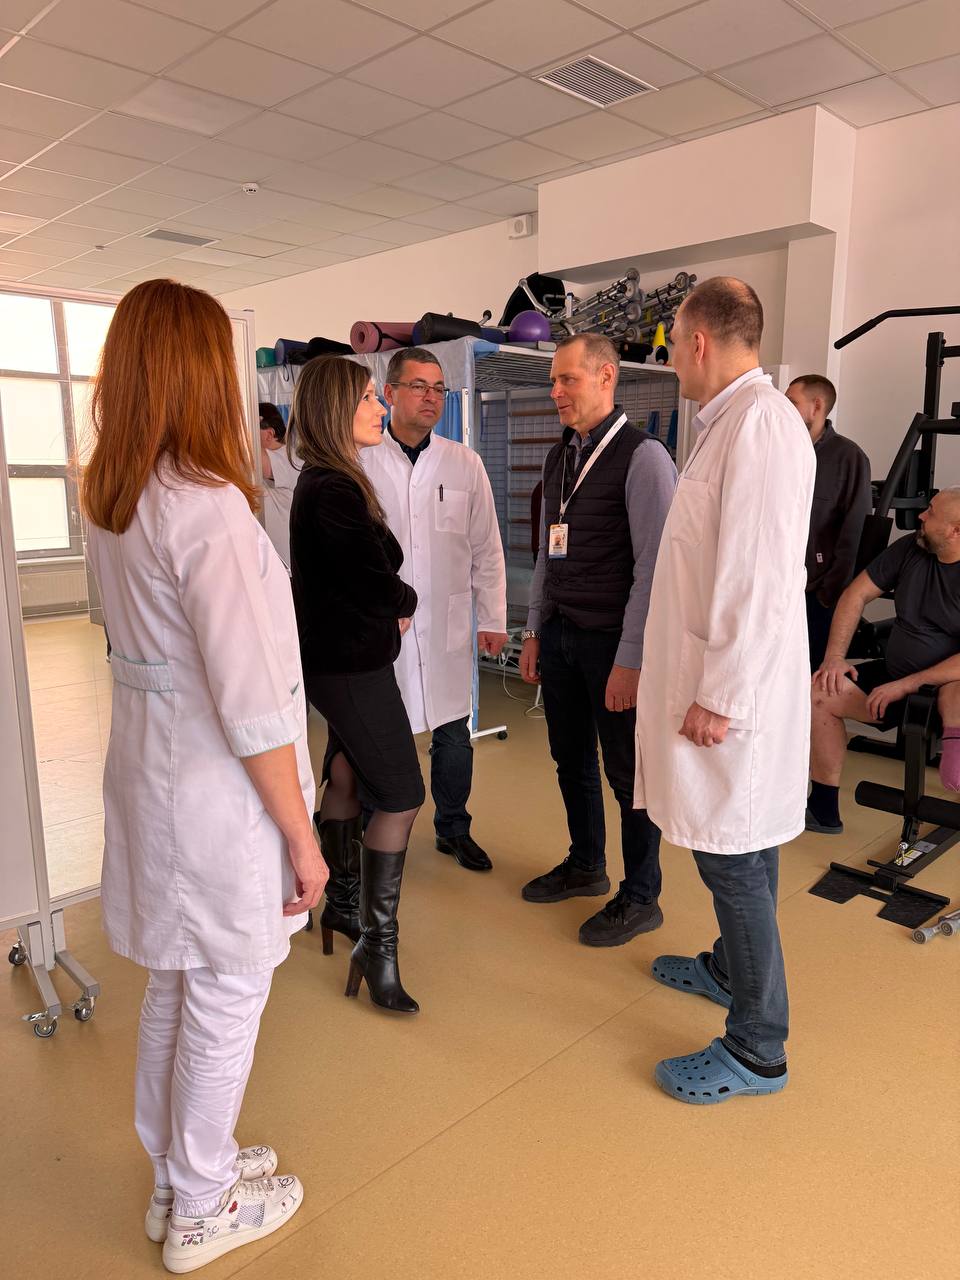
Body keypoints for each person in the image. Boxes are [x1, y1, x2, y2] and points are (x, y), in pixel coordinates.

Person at [82, 280, 326, 1271]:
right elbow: (254, 703)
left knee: (177, 983)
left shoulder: (114, 497)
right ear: (198, 376)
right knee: (228, 989)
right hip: (218, 795)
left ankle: (178, 1173)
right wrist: (304, 839)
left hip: (154, 774)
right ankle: (204, 1203)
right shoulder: (209, 509)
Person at [636, 277, 815, 1104]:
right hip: (717, 680)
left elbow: (758, 578)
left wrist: (724, 695)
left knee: (732, 855)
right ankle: (727, 968)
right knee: (745, 844)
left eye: (673, 340)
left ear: (699, 341)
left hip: (733, 694)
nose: (672, 355)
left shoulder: (763, 427)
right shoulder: (729, 423)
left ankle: (757, 1045)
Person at [519, 333, 677, 946]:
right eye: (552, 381)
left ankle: (641, 896)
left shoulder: (644, 458)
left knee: (627, 774)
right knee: (571, 759)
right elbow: (547, 549)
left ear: (606, 377)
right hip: (561, 633)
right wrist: (535, 629)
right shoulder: (559, 456)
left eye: (568, 379)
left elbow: (655, 568)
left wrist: (631, 659)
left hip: (613, 643)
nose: (556, 392)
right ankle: (586, 864)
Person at [290, 356, 425, 1014]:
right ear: (335, 410)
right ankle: (377, 947)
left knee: (345, 773)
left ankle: (344, 907)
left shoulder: (329, 480)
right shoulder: (334, 490)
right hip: (351, 668)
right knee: (400, 794)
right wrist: (408, 599)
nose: (381, 407)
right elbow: (373, 581)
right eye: (370, 397)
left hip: (341, 662)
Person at [362, 347, 507, 873]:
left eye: (439, 389)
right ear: (390, 393)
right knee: (379, 737)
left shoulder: (464, 463)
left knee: (453, 735)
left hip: (446, 625)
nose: (431, 397)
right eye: (419, 386)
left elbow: (487, 547)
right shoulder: (362, 461)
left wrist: (493, 618)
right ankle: (373, 831)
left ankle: (454, 828)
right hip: (383, 627)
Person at [807, 488, 960, 834]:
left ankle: (955, 748)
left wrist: (905, 685)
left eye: (931, 512)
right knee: (819, 692)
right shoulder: (912, 547)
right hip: (894, 675)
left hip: (945, 691)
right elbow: (856, 594)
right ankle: (823, 809)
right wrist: (834, 658)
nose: (921, 516)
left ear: (955, 531)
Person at [785, 374, 872, 670]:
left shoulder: (849, 458)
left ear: (817, 406)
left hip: (817, 598)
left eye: (792, 402)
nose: (785, 409)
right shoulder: (781, 450)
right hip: (778, 590)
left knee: (808, 677)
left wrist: (828, 595)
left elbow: (854, 533)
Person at [259, 400, 301, 572]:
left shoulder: (290, 457)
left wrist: (244, 426)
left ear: (269, 434)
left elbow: (264, 467)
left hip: (288, 567)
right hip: (273, 563)